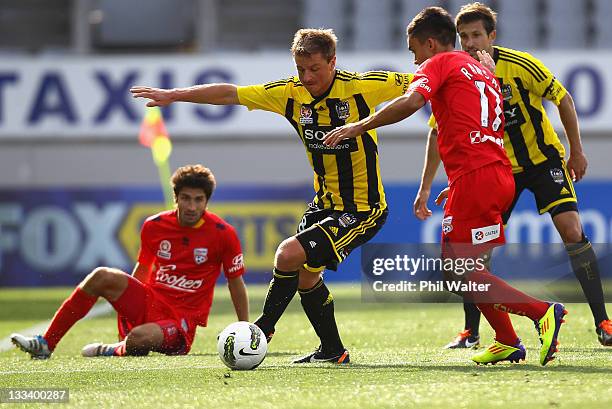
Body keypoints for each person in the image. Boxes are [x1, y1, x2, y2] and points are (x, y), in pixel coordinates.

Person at [131, 29, 413, 364]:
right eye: (300, 69)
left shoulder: (363, 87)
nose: (307, 77)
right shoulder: (289, 94)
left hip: (363, 209)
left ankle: (264, 327)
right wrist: (176, 95)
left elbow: (425, 81)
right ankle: (333, 352)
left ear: (333, 62)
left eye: (315, 69)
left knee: (286, 254)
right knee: (307, 278)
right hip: (323, 204)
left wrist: (475, 69)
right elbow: (230, 94)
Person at [324, 7, 567, 366]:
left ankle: (542, 312)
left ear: (431, 43)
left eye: (414, 51)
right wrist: (458, 182)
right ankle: (506, 339)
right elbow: (468, 124)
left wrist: (359, 126)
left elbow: (411, 102)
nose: (414, 60)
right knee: (466, 267)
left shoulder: (439, 64)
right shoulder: (482, 71)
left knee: (460, 269)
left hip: (476, 176)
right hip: (494, 172)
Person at [413, 2, 611, 349]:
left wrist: (576, 150)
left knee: (572, 230)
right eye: (464, 37)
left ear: (492, 35)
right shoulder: (460, 69)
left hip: (540, 161)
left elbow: (562, 98)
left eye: (477, 35)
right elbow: (437, 132)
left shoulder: (519, 64)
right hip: (496, 168)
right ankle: (472, 332)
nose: (471, 42)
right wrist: (433, 184)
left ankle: (604, 322)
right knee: (473, 253)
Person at [11, 164, 249, 359]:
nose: (192, 206)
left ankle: (114, 350)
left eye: (198, 200)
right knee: (101, 275)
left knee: (138, 339)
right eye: (186, 199)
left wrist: (245, 328)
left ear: (207, 201)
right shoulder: (154, 226)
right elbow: (142, 271)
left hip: (180, 321)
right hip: (151, 303)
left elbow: (235, 283)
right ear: (175, 198)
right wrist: (128, 312)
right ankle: (46, 343)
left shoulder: (222, 233)